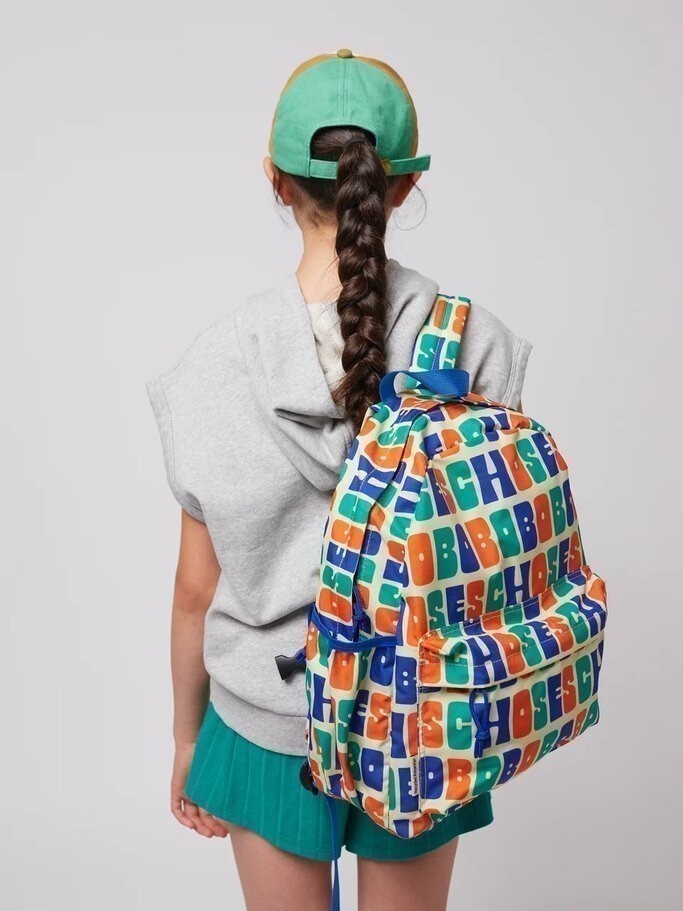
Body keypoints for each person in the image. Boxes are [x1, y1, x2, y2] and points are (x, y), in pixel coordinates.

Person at [147, 49, 532, 911]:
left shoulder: (209, 371)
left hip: (266, 715)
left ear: (276, 182)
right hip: (423, 705)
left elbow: (194, 591)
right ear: (402, 186)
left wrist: (187, 738)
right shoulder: (477, 347)